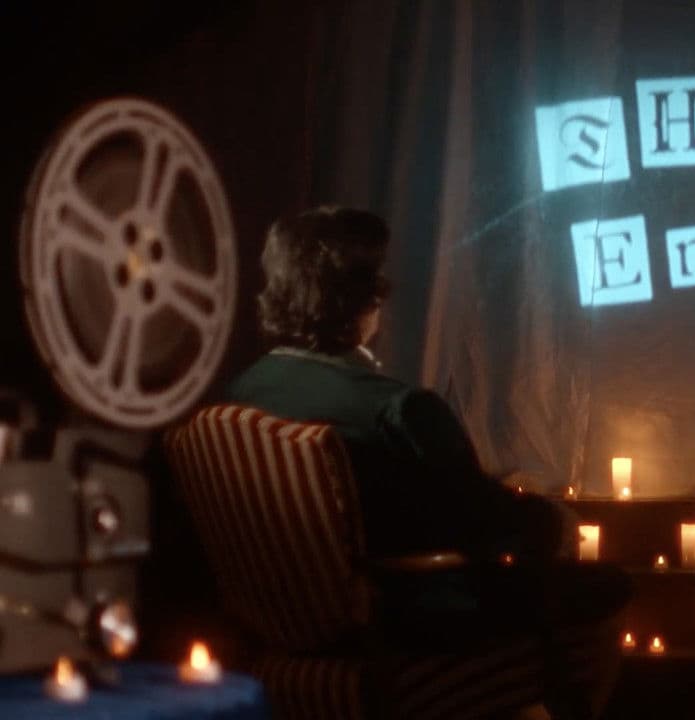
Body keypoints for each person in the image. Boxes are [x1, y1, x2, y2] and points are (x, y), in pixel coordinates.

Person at [223, 206, 629, 719]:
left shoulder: (241, 394)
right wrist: (554, 521)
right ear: (366, 298)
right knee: (604, 590)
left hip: (274, 645)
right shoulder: (399, 410)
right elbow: (484, 522)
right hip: (400, 637)